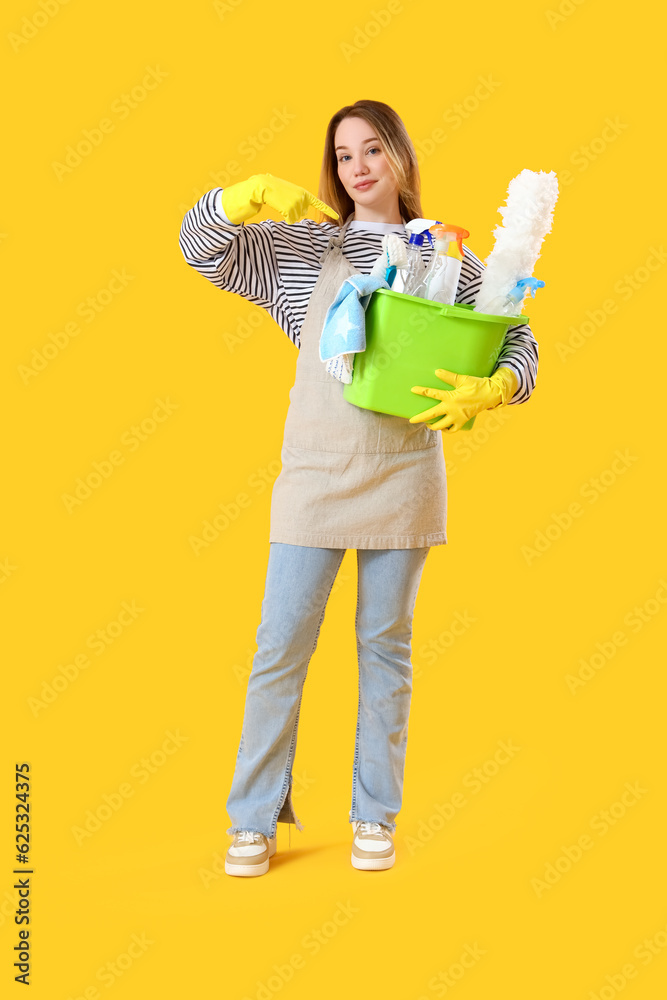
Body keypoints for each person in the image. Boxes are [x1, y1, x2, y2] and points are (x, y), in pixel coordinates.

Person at [179, 99, 538, 877]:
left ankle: (374, 814)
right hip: (313, 474)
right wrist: (234, 201)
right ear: (333, 172)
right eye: (343, 156)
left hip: (404, 477)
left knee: (386, 649)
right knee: (279, 648)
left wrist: (501, 384)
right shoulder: (305, 250)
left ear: (401, 156)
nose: (359, 166)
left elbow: (519, 335)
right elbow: (200, 250)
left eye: (373, 149)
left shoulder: (452, 257)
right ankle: (251, 821)